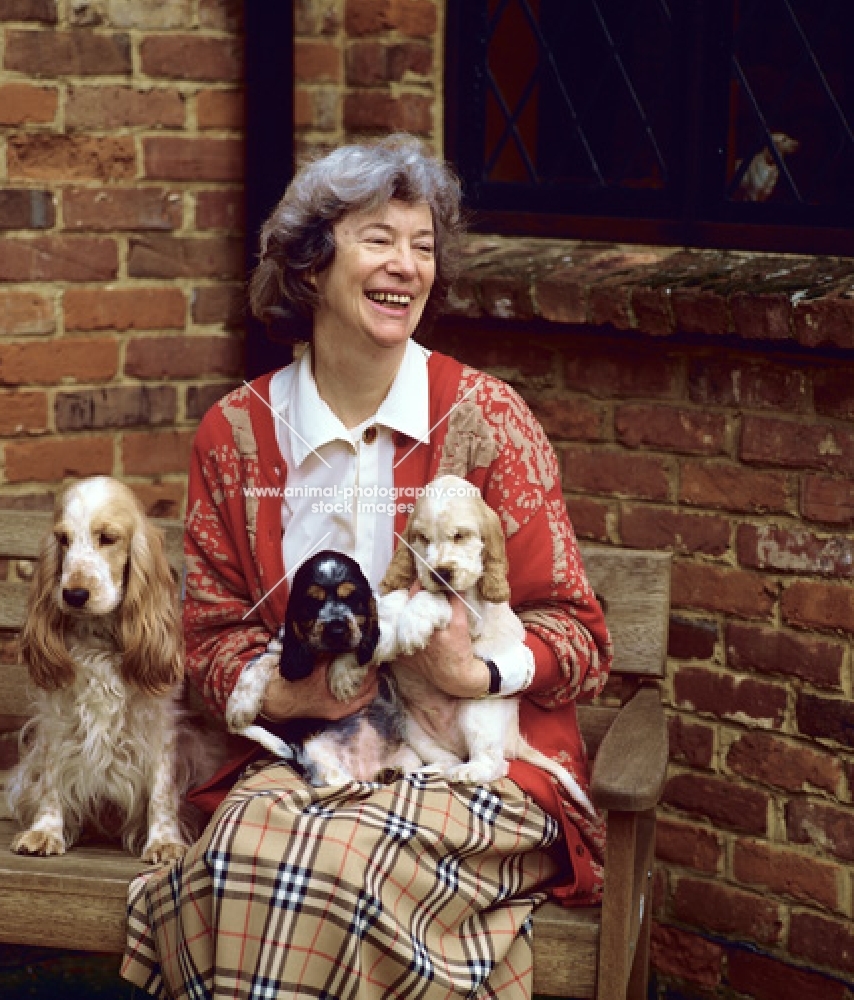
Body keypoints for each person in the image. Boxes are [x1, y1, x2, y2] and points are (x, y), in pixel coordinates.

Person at [120, 134, 611, 999]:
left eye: (423, 246)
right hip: (313, 751)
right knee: (243, 850)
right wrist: (286, 695)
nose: (407, 267)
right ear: (311, 266)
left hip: (478, 760)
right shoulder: (234, 435)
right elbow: (209, 635)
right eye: (379, 238)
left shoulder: (487, 419)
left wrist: (474, 668)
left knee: (331, 868)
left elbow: (580, 632)